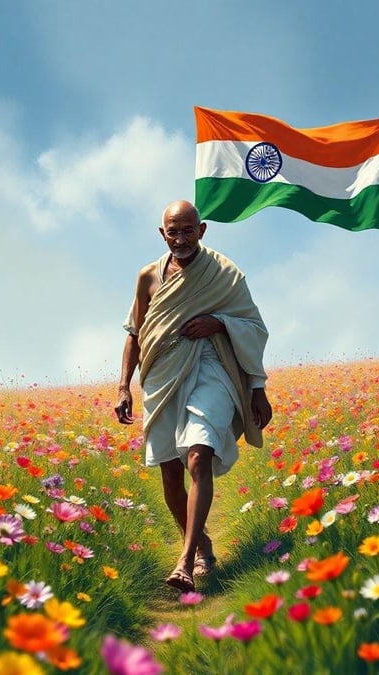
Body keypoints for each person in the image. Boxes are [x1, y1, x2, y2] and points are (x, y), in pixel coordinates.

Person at [114, 200, 272, 593]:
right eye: (173, 231)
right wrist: (123, 386)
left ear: (202, 231)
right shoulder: (147, 277)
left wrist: (219, 324)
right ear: (162, 233)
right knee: (170, 471)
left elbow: (253, 325)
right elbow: (134, 333)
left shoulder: (224, 273)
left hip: (211, 367)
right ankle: (201, 545)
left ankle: (185, 561)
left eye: (188, 230)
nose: (181, 239)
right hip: (161, 374)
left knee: (199, 455)